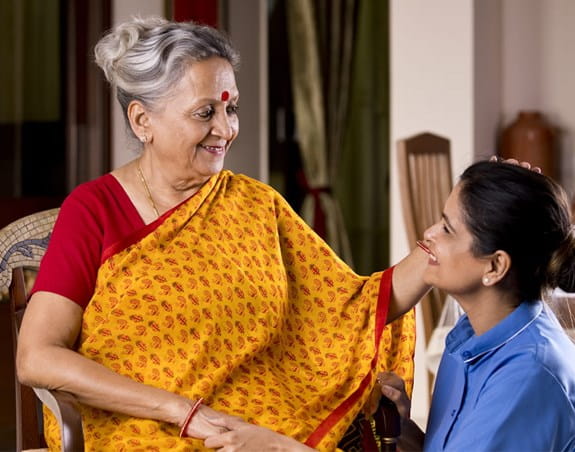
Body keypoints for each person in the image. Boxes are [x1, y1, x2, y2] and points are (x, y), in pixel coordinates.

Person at [16, 17, 429, 451]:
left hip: (256, 427)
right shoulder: (95, 210)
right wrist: (184, 412)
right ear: (142, 121)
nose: (226, 129)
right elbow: (37, 357)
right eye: (205, 112)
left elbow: (352, 309)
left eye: (230, 109)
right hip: (141, 428)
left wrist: (444, 241)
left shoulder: (255, 204)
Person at [378, 161, 575, 451]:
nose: (430, 233)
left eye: (447, 228)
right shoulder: (469, 336)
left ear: (495, 266)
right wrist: (402, 429)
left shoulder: (527, 376)